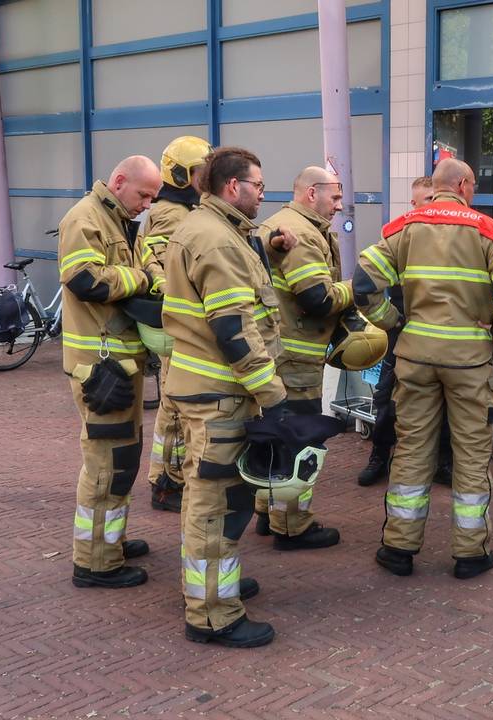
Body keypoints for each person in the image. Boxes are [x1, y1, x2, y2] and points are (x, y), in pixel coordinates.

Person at [354, 158, 493, 580]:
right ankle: (471, 553)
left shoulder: (404, 228)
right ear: (465, 185)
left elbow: (363, 284)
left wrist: (392, 321)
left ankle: (398, 548)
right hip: (470, 362)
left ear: (436, 188)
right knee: (471, 453)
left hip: (415, 358)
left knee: (413, 449)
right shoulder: (486, 231)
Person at [161, 147, 287, 648]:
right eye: (257, 183)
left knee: (206, 496)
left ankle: (211, 587)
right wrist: (272, 395)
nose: (262, 192)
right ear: (232, 187)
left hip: (206, 390)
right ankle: (213, 613)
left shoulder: (212, 229)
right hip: (220, 395)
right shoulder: (217, 240)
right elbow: (234, 329)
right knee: (217, 505)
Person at [59, 156, 159, 589]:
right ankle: (96, 562)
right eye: (143, 194)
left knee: (122, 460)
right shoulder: (85, 218)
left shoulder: (117, 219)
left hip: (121, 365)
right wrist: (140, 279)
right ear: (119, 182)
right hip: (99, 370)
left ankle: (109, 541)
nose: (148, 204)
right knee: (106, 465)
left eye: (153, 197)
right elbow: (84, 280)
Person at [247, 166, 351, 550]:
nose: (340, 206)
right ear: (312, 193)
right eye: (335, 198)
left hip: (279, 354)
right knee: (301, 442)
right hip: (297, 360)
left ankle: (266, 509)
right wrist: (358, 289)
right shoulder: (304, 234)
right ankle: (292, 526)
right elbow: (317, 299)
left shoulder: (284, 224)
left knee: (276, 434)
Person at [357, 176, 454, 488]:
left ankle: (443, 462)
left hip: (444, 336)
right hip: (403, 335)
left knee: (446, 401)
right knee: (387, 400)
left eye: (427, 200)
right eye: (416, 202)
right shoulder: (399, 234)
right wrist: (390, 321)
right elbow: (369, 283)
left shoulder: (458, 238)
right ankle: (379, 457)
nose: (421, 207)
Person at [141, 135, 212, 513]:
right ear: (183, 175)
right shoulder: (172, 212)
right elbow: (157, 262)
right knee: (172, 409)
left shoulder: (187, 209)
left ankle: (169, 476)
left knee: (175, 407)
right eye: (202, 171)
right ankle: (166, 481)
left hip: (181, 326)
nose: (207, 177)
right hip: (179, 328)